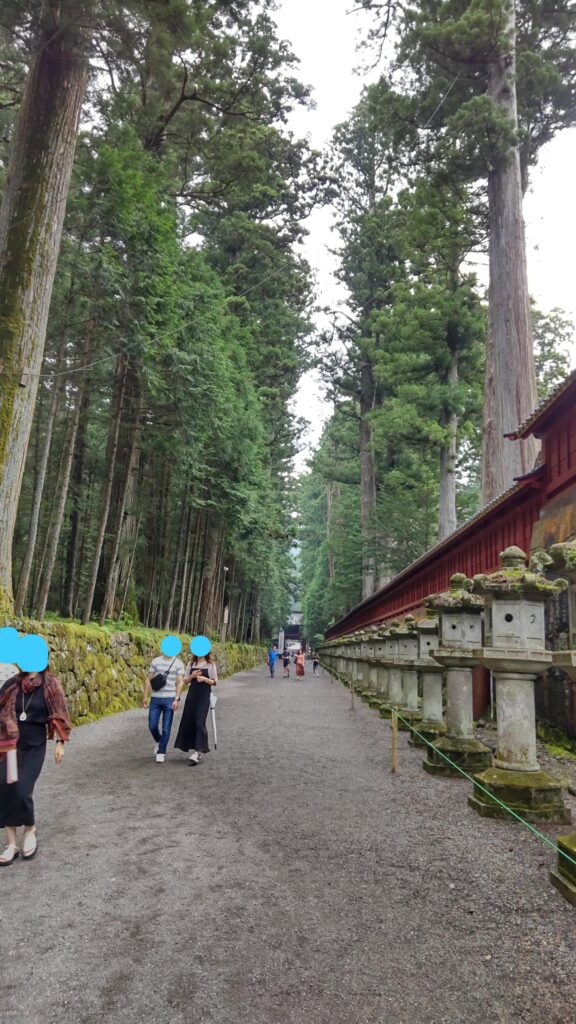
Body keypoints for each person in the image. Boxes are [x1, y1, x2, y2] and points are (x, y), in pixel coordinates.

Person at [0, 664, 71, 865]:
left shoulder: (51, 684)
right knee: (5, 788)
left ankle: (30, 828)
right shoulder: (12, 684)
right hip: (8, 742)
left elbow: (60, 713)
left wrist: (60, 743)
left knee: (22, 790)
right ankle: (11, 844)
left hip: (34, 746)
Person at [173, 652, 218, 764]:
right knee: (189, 720)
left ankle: (198, 751)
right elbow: (185, 681)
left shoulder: (210, 664)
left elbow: (215, 681)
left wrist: (205, 679)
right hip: (192, 695)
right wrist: (192, 676)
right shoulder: (191, 663)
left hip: (204, 696)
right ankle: (194, 747)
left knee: (199, 720)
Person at [143, 647, 186, 763]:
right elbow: (148, 679)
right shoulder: (156, 661)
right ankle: (159, 741)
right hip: (155, 699)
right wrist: (145, 696)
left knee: (166, 728)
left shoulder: (178, 663)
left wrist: (177, 699)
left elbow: (180, 681)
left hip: (170, 699)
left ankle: (161, 751)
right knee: (152, 725)